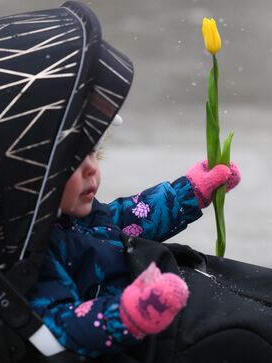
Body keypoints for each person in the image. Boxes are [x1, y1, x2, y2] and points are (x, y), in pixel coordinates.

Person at [27, 133, 241, 358]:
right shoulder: (34, 253)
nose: (92, 167)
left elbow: (121, 221)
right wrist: (129, 315)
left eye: (92, 152)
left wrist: (188, 193)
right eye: (73, 159)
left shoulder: (75, 214)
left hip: (165, 306)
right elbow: (59, 327)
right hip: (144, 341)